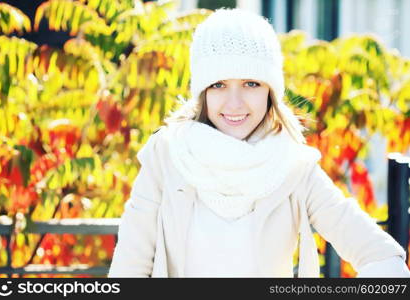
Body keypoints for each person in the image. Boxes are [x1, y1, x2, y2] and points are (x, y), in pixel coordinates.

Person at [108, 8, 410, 278]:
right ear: (203, 92)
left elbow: (382, 257)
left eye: (251, 83)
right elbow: (129, 269)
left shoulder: (294, 167)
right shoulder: (167, 154)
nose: (235, 102)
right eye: (219, 84)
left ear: (270, 91)